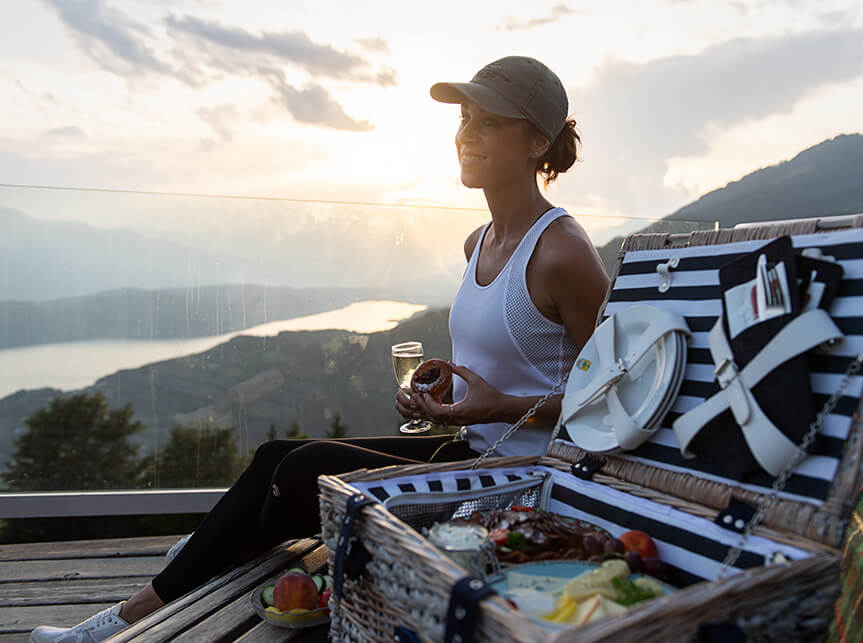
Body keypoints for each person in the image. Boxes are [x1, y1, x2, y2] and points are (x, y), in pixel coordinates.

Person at [30, 55, 609, 642]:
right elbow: (506, 361)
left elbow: (614, 396)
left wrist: (497, 407)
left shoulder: (563, 252)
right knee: (273, 454)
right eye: (465, 118)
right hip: (470, 447)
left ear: (538, 140)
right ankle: (216, 549)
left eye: (489, 122)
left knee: (303, 471)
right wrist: (448, 389)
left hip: (524, 477)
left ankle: (125, 619)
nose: (466, 134)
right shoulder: (478, 241)